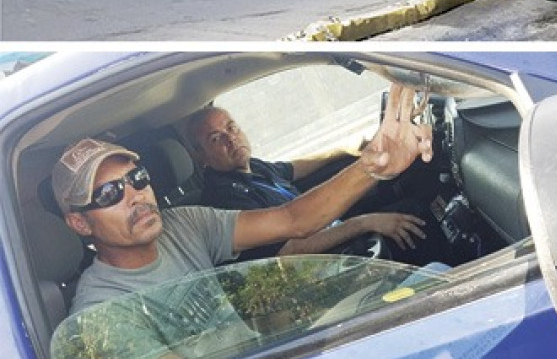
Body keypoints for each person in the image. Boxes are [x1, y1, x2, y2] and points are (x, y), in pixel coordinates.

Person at [53, 82, 433, 318]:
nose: (134, 194)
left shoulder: (183, 224)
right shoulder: (100, 311)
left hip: (271, 343)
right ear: (80, 224)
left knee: (435, 277)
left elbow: (292, 219)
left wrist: (371, 165)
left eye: (136, 178)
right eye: (108, 193)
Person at [187, 106, 441, 264]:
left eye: (232, 128)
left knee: (408, 198)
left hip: (333, 236)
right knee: (415, 217)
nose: (231, 139)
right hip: (321, 266)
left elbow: (295, 167)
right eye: (216, 138)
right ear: (201, 156)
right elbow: (288, 253)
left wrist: (343, 150)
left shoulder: (252, 167)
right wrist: (366, 222)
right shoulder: (224, 200)